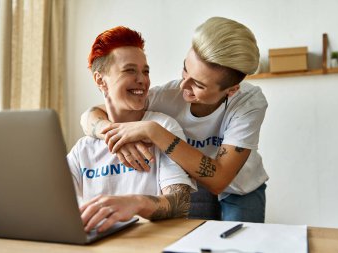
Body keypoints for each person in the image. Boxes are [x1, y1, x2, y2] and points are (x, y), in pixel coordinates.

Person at [81, 17, 269, 222]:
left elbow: (219, 180)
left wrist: (155, 132)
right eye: (185, 70)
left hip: (240, 189)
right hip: (193, 184)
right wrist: (112, 134)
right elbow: (92, 114)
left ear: (231, 90)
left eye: (198, 85)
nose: (183, 86)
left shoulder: (249, 103)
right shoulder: (167, 96)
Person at [67, 26, 196, 233]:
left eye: (145, 71)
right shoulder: (83, 149)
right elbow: (53, 203)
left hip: (149, 241)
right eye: (130, 70)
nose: (142, 80)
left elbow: (181, 203)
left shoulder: (163, 127)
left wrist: (136, 203)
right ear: (100, 80)